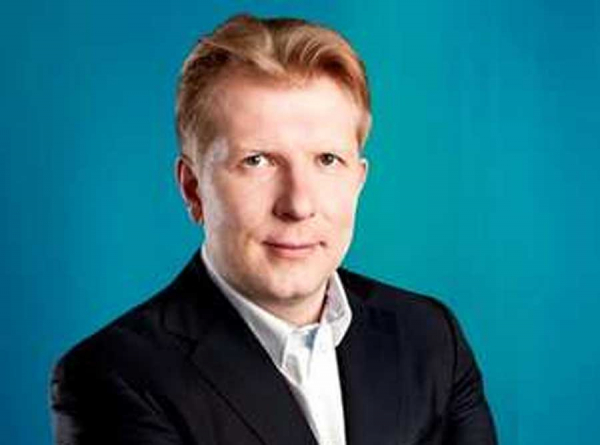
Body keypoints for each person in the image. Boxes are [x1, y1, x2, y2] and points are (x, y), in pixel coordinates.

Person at [50, 14, 497, 445]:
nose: (298, 204)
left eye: (327, 160)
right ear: (193, 188)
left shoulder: (430, 339)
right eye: (257, 161)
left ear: (358, 181)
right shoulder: (114, 377)